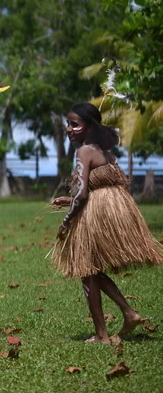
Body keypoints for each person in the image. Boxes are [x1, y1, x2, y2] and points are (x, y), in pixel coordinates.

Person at [51, 102, 161, 343]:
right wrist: (68, 199)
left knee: (87, 270)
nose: (69, 129)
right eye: (68, 124)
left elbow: (82, 195)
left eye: (74, 124)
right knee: (92, 270)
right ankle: (128, 313)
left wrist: (66, 223)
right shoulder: (106, 152)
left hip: (97, 214)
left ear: (89, 128)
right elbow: (103, 185)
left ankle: (103, 333)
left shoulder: (84, 152)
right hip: (113, 210)